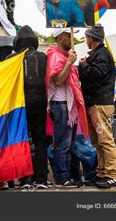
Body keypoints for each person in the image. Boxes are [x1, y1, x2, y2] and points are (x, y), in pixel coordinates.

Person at [6, 26, 49, 189]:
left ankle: (24, 180)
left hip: (20, 104)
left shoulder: (12, 58)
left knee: (21, 140)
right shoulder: (42, 57)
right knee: (40, 141)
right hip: (39, 103)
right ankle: (42, 179)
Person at [46, 28, 88, 188]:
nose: (72, 39)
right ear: (59, 38)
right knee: (62, 144)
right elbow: (57, 80)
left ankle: (66, 176)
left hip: (68, 106)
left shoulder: (63, 55)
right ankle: (62, 178)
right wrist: (69, 63)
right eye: (68, 36)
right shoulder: (56, 56)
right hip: (61, 105)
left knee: (68, 145)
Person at [78, 24, 116, 188]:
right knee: (98, 142)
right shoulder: (97, 54)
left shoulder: (102, 54)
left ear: (91, 38)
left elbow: (97, 73)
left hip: (101, 103)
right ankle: (102, 172)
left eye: (87, 37)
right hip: (95, 103)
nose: (86, 40)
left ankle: (112, 174)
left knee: (106, 140)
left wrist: (83, 65)